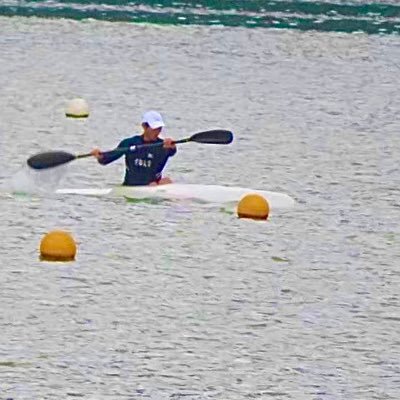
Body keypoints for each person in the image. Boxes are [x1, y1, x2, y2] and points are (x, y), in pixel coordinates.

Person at [91, 110, 176, 186]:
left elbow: (172, 152)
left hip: (152, 186)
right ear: (144, 126)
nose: (157, 132)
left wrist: (172, 147)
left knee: (166, 181)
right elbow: (107, 159)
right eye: (154, 129)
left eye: (159, 128)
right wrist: (100, 156)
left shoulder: (163, 145)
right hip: (132, 186)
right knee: (154, 184)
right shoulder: (129, 143)